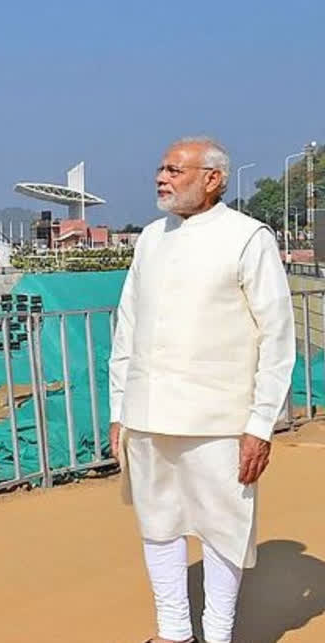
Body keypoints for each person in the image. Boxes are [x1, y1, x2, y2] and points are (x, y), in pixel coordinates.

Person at [109, 136, 296, 643]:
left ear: (212, 178)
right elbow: (128, 327)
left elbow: (276, 336)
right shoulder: (150, 237)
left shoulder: (246, 236)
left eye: (174, 169)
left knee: (222, 529)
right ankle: (173, 632)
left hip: (220, 419)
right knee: (159, 526)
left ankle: (218, 634)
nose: (161, 178)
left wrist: (260, 425)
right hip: (147, 414)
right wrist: (118, 410)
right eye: (161, 168)